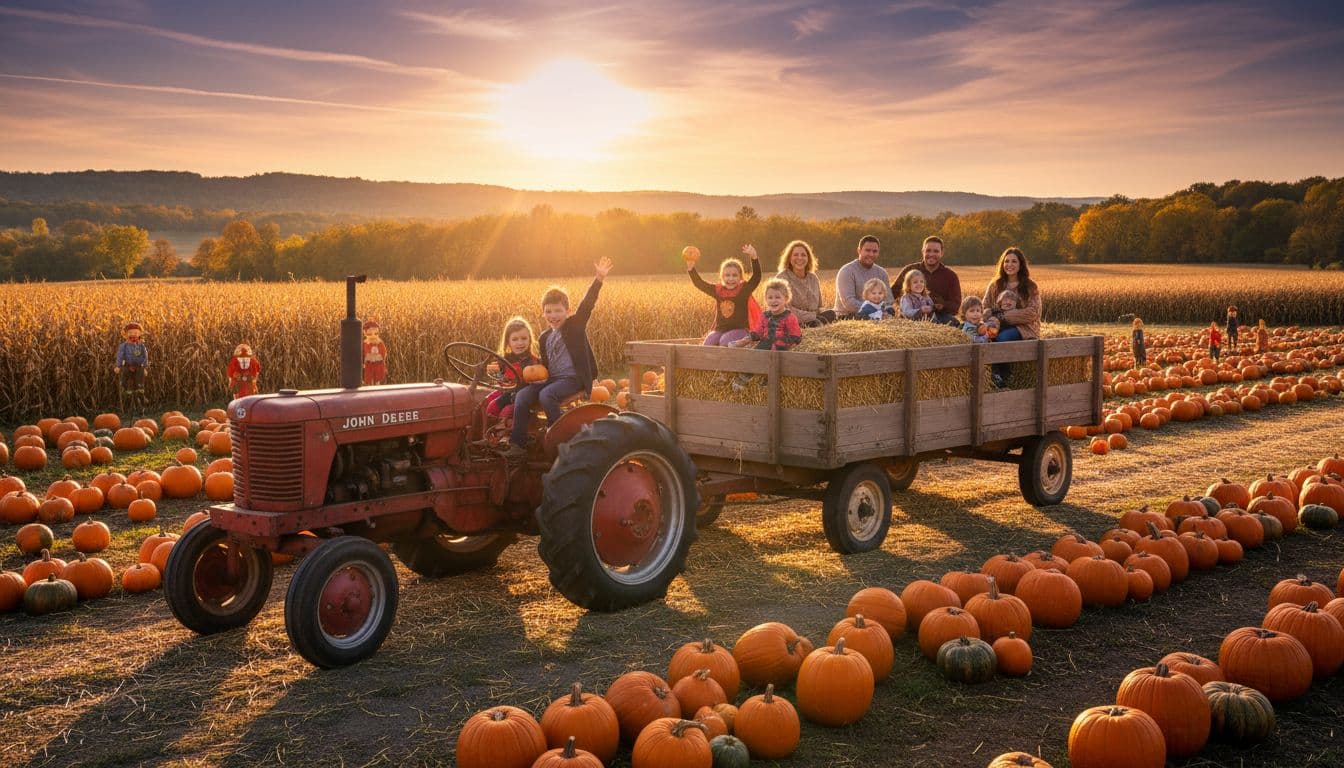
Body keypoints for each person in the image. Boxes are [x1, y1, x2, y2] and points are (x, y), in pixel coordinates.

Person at [502, 257, 612, 459]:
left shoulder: (575, 326)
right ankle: (518, 443)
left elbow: (587, 304)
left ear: (567, 311)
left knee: (546, 396)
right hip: (553, 379)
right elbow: (543, 365)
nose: (553, 315)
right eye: (549, 311)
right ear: (543, 313)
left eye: (558, 311)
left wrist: (598, 279)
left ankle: (560, 437)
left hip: (573, 379)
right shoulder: (544, 337)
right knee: (523, 396)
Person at [731, 279, 803, 390]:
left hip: (781, 346)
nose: (773, 300)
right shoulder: (765, 316)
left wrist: (786, 341)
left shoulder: (789, 317)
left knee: (776, 362)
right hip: (765, 343)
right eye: (770, 297)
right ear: (766, 299)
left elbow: (796, 335)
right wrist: (748, 339)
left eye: (778, 297)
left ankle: (768, 380)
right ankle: (745, 376)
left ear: (786, 299)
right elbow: (758, 331)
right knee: (755, 356)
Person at [690, 245, 762, 346]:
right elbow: (700, 283)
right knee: (708, 342)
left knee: (725, 341)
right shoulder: (718, 290)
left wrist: (754, 258)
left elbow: (756, 277)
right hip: (720, 330)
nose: (731, 279)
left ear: (740, 277)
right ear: (722, 277)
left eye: (734, 275)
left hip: (740, 330)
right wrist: (691, 268)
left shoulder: (744, 290)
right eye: (727, 275)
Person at [893, 236, 962, 326]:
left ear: (942, 253)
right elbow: (893, 292)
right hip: (911, 316)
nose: (931, 254)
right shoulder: (910, 270)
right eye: (928, 250)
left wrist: (940, 305)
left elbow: (955, 305)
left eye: (936, 251)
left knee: (955, 324)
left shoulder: (950, 276)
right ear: (922, 252)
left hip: (939, 316)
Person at [484, 316, 539, 423]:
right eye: (515, 339)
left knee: (501, 410)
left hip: (518, 396)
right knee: (485, 403)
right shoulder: (504, 359)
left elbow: (533, 386)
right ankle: (484, 430)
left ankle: (502, 433)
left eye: (524, 339)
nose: (520, 343)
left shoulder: (533, 362)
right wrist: (496, 375)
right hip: (505, 391)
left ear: (530, 340)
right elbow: (498, 377)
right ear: (508, 342)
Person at [981, 247, 1042, 342]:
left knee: (1002, 338)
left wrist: (1002, 317)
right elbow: (984, 307)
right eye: (1006, 261)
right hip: (996, 325)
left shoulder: (1030, 286)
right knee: (982, 337)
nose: (1009, 265)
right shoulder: (995, 285)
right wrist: (993, 318)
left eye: (1014, 261)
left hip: (1023, 328)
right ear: (1002, 264)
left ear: (1020, 265)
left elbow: (1033, 312)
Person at [774, 240, 834, 326]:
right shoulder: (781, 278)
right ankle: (816, 324)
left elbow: (820, 306)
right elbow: (785, 309)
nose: (800, 258)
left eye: (803, 255)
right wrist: (812, 316)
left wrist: (826, 313)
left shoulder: (813, 278)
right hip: (794, 322)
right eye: (795, 255)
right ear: (789, 258)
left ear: (808, 258)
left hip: (815, 319)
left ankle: (817, 323)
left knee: (832, 313)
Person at [834, 235, 891, 318]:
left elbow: (888, 299)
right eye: (867, 250)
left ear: (878, 252)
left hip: (875, 316)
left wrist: (887, 311)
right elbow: (849, 303)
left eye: (875, 251)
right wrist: (875, 310)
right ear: (859, 250)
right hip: (847, 316)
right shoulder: (847, 271)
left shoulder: (882, 273)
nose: (871, 254)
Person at [114, 322, 149, 398]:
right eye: (130, 332)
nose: (133, 334)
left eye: (136, 332)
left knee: (140, 373)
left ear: (140, 334)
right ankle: (125, 389)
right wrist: (118, 366)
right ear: (126, 334)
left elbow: (145, 356)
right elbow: (120, 356)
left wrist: (145, 367)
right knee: (125, 373)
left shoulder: (141, 346)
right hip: (128, 364)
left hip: (139, 365)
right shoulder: (124, 346)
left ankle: (140, 388)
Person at [362, 319, 388, 385]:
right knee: (369, 379)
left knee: (378, 379)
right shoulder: (365, 343)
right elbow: (362, 353)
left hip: (378, 364)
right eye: (369, 334)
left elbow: (383, 352)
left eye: (376, 334)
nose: (373, 336)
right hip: (368, 364)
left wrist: (383, 361)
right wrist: (363, 363)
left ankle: (377, 389)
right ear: (365, 333)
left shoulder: (380, 343)